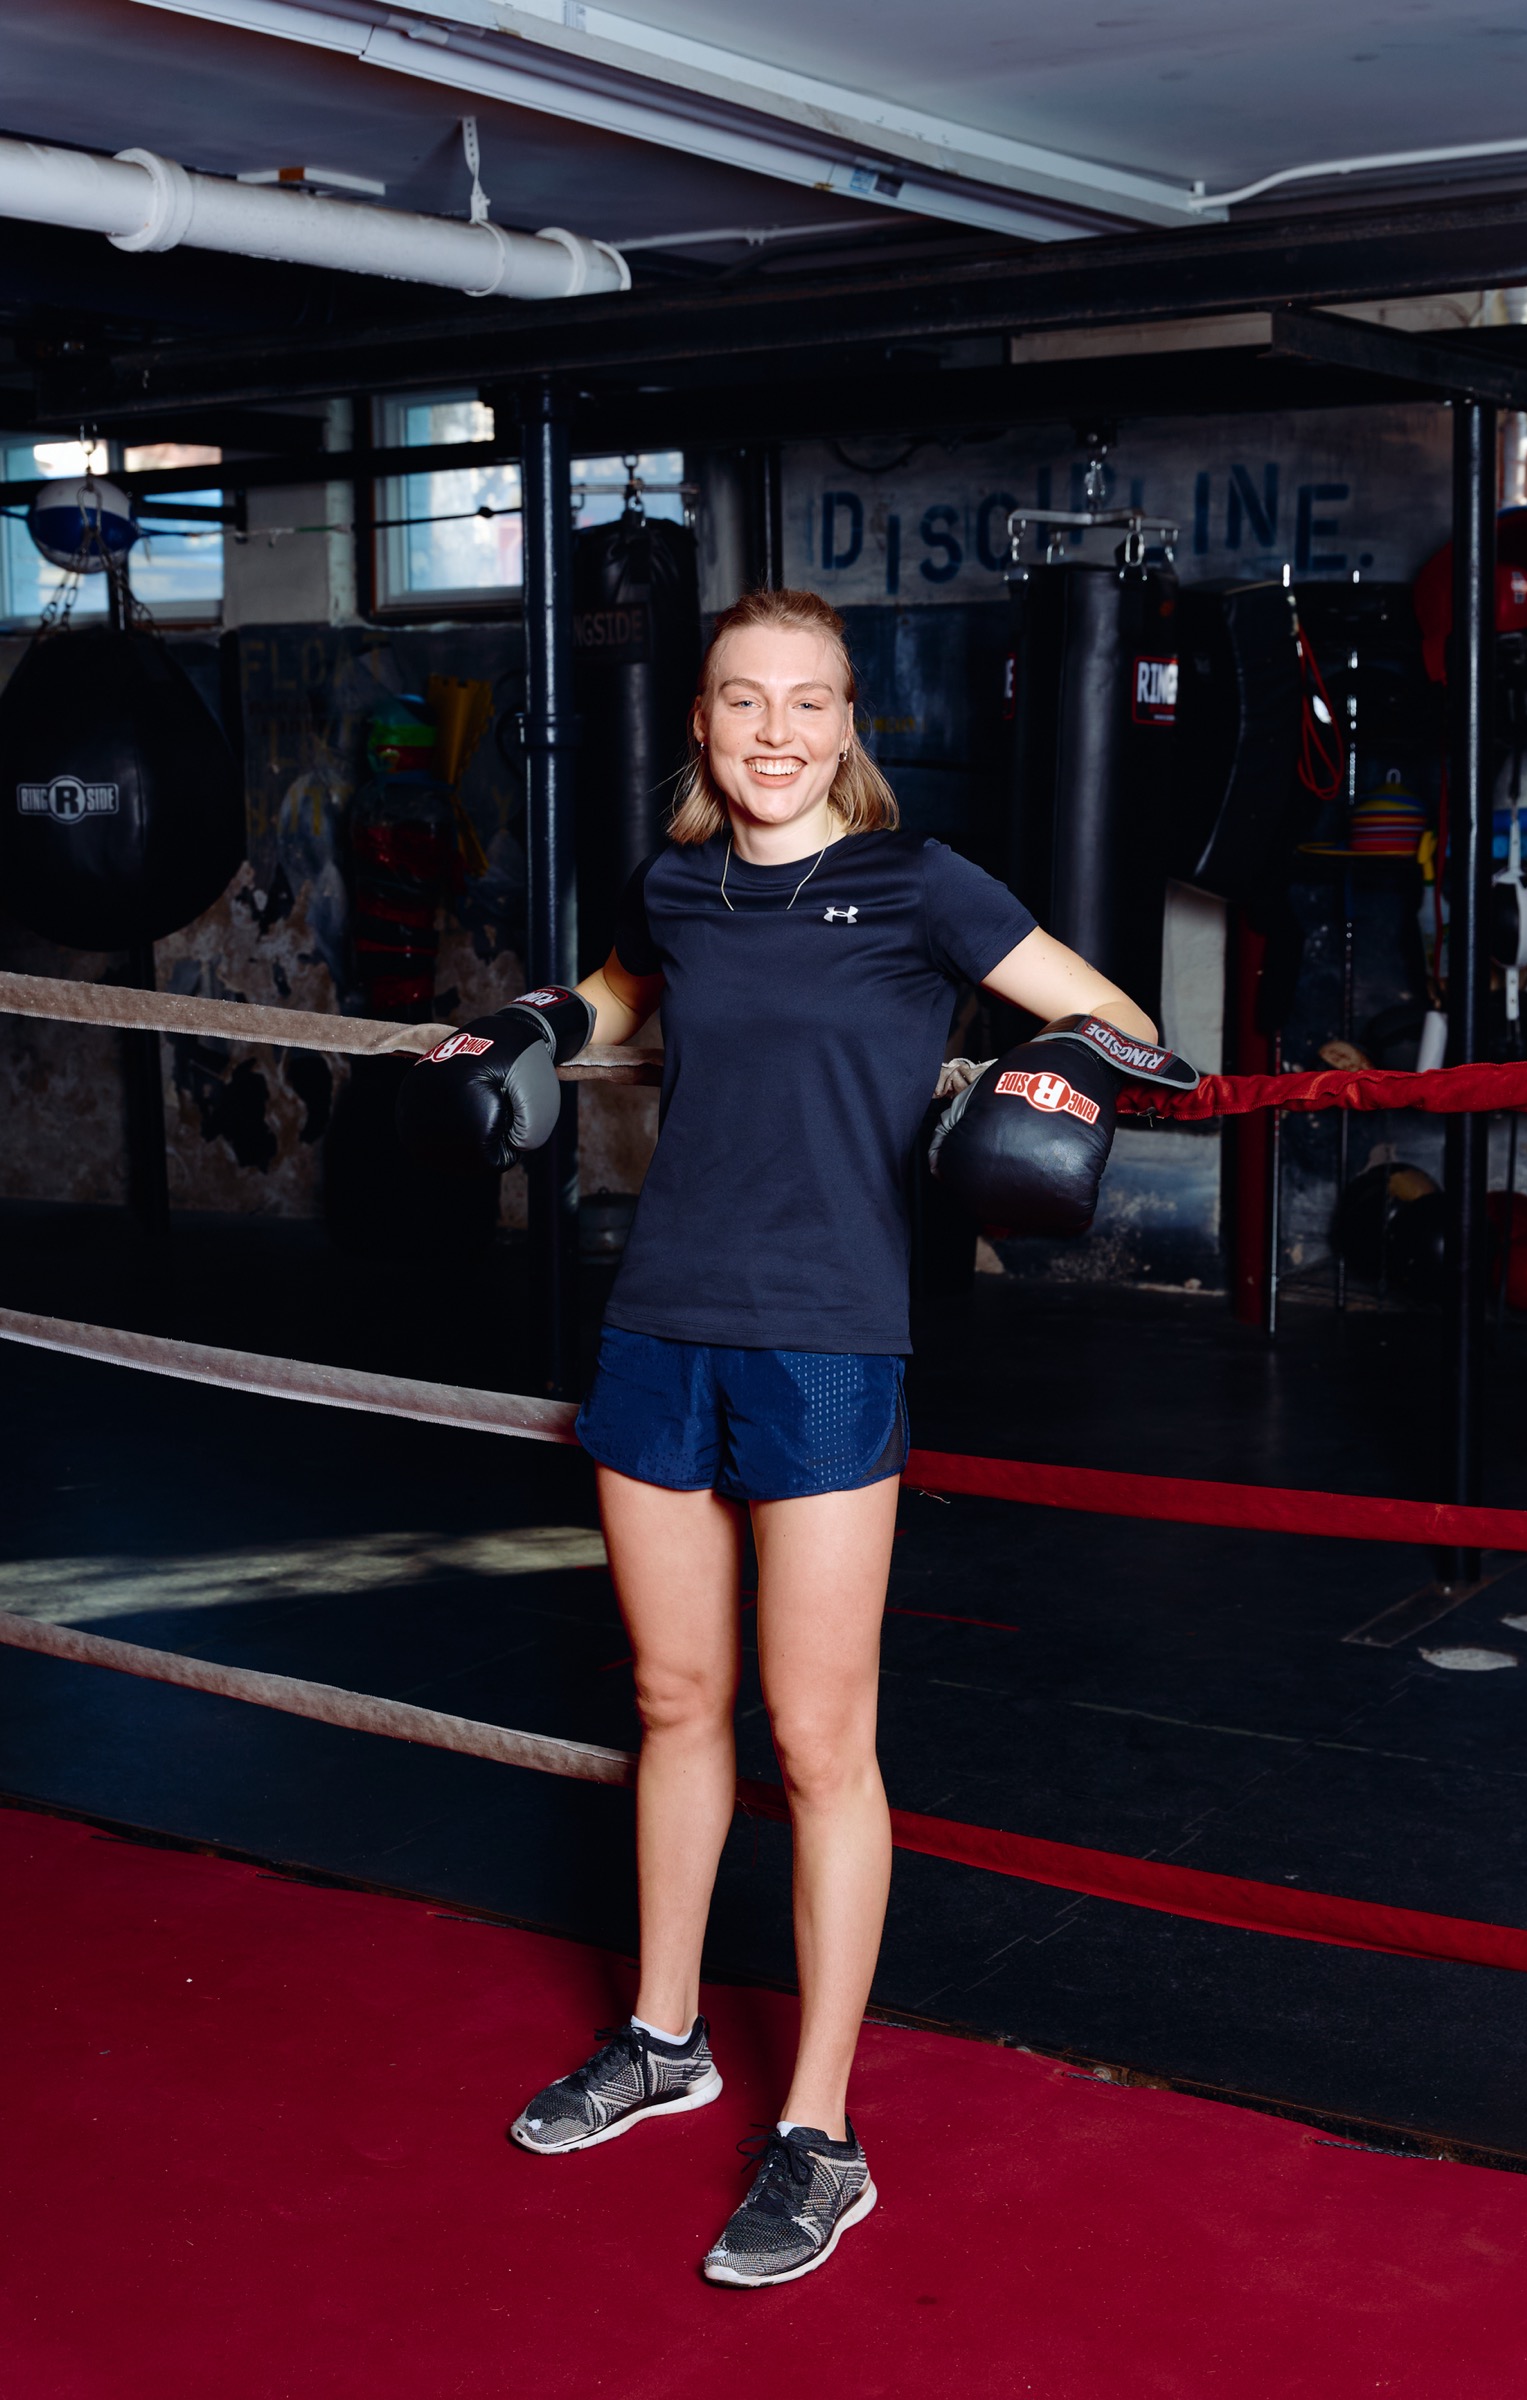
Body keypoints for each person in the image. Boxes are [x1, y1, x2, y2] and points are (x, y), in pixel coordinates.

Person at [404, 586, 1161, 2287]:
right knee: (675, 1702)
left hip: (830, 1340)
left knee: (820, 1746)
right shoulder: (676, 877)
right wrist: (535, 1024)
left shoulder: (920, 882)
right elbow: (620, 990)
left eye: (806, 704)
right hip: (660, 1320)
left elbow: (1113, 1012)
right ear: (700, 720)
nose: (772, 733)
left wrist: (1065, 1082)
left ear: (847, 724)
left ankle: (820, 2132)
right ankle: (666, 2040)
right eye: (742, 702)